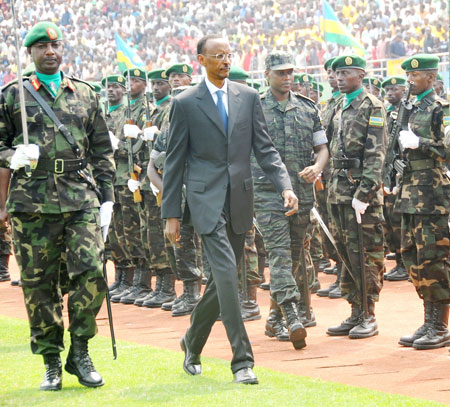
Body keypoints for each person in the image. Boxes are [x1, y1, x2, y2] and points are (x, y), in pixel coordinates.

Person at [162, 34, 298, 385]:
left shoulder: (248, 97)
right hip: (204, 200)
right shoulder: (185, 102)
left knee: (221, 282)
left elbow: (265, 150)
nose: (225, 60)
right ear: (201, 60)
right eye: (217, 55)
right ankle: (242, 360)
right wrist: (171, 214)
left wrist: (285, 186)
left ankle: (192, 342)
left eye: (228, 54)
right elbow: (175, 161)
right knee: (226, 277)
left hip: (239, 199)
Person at [0, 22, 115, 390]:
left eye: (55, 45)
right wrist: (12, 154)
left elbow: (102, 151)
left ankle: (79, 350)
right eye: (41, 47)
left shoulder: (84, 93)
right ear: (30, 54)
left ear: (62, 49)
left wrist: (108, 198)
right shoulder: (12, 95)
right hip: (31, 203)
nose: (50, 51)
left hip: (80, 196)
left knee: (93, 271)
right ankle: (51, 359)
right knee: (39, 285)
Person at [255, 51, 329, 346]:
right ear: (267, 75)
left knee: (296, 256)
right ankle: (291, 315)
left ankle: (273, 320)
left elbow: (322, 147)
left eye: (290, 73)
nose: (287, 78)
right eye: (280, 73)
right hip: (267, 193)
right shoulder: (254, 108)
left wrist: (318, 166)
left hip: (302, 192)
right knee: (280, 256)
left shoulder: (307, 108)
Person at [326, 55, 387, 340]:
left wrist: (365, 193)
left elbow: (376, 155)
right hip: (338, 189)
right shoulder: (339, 104)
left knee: (365, 253)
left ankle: (368, 313)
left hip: (360, 191)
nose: (339, 77)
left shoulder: (372, 106)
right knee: (345, 252)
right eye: (337, 72)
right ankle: (354, 310)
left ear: (360, 75)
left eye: (345, 72)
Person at [395, 54, 450, 350]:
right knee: (413, 257)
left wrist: (421, 144)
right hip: (409, 193)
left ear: (430, 77)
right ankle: (428, 319)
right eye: (408, 76)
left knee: (434, 259)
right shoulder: (409, 108)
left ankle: (440, 325)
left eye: (415, 76)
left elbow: (448, 151)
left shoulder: (443, 109)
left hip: (432, 194)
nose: (410, 80)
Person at [380, 76, 408, 282]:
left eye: (394, 89)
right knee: (389, 219)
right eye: (387, 90)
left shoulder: (407, 111)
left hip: (402, 174)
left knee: (399, 222)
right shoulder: (387, 111)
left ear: (403, 90)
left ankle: (404, 264)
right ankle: (398, 260)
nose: (390, 93)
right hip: (388, 172)